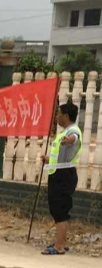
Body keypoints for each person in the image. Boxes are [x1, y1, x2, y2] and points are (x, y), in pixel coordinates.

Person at [42, 101, 82, 255]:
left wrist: (68, 140)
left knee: (60, 210)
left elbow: (74, 138)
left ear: (65, 116)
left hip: (63, 175)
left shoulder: (73, 131)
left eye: (59, 114)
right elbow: (61, 155)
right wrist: (49, 159)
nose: (57, 117)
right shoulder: (64, 132)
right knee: (58, 209)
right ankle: (61, 242)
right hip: (59, 172)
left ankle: (58, 247)